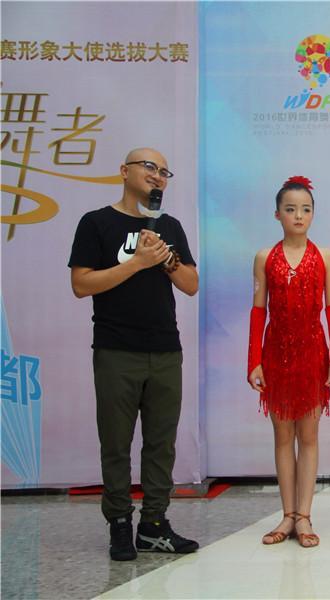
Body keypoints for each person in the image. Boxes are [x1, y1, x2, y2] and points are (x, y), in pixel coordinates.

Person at [68, 147, 199, 561]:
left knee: (161, 444)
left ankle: (154, 525)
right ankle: (120, 524)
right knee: (116, 443)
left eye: (164, 171)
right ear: (124, 171)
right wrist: (138, 262)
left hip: (165, 350)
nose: (157, 176)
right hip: (116, 351)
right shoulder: (96, 223)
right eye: (149, 167)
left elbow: (191, 284)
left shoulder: (169, 226)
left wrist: (166, 258)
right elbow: (81, 284)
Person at [247, 175, 330, 548]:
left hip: (313, 354)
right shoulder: (264, 257)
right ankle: (287, 515)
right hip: (276, 355)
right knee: (282, 437)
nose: (298, 216)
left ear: (313, 214)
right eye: (290, 209)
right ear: (277, 214)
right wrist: (253, 360)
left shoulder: (326, 257)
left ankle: (304, 515)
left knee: (309, 436)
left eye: (305, 209)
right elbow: (258, 311)